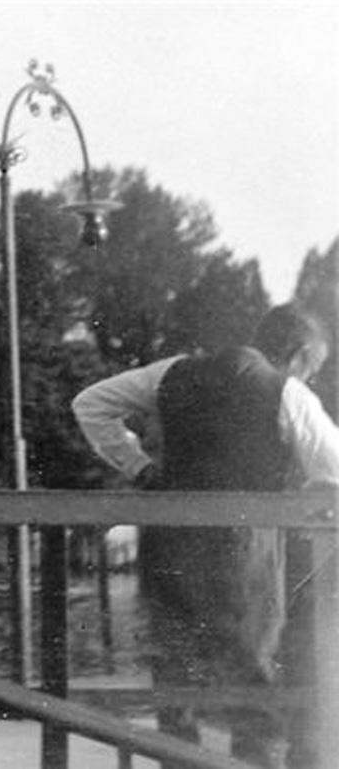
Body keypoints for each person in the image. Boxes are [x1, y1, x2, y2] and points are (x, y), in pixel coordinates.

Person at [72, 303, 339, 769]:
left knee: (177, 674)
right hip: (245, 552)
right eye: (312, 369)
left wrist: (138, 467)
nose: (309, 378)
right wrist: (303, 486)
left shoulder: (172, 371)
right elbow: (333, 470)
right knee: (253, 672)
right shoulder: (287, 392)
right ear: (297, 356)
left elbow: (90, 404)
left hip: (171, 547)